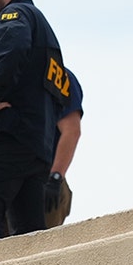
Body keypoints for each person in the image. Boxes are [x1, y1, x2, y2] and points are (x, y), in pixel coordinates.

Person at [0, 0, 70, 243]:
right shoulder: (46, 32)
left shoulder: (15, 15)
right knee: (29, 237)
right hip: (37, 146)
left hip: (5, 136)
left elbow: (13, 45)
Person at [45, 67, 83, 228]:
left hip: (45, 180)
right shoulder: (5, 74)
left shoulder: (57, 74)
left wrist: (55, 178)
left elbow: (72, 130)